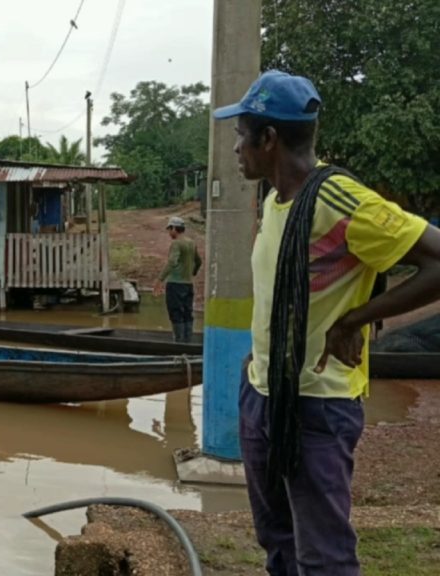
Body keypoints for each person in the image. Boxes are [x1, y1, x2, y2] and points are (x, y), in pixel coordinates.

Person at [214, 70, 440, 575]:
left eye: (240, 133)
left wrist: (354, 320)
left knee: (324, 555)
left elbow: (437, 261)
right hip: (264, 393)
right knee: (277, 538)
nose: (235, 147)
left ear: (268, 139)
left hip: (317, 403)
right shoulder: (275, 200)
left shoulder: (339, 200)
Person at [153, 216, 202, 342]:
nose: (169, 232)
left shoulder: (176, 243)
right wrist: (193, 273)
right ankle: (188, 341)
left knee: (176, 313)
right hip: (188, 284)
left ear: (174, 228)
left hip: (175, 284)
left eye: (170, 229)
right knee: (187, 313)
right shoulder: (191, 243)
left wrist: (160, 280)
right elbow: (198, 261)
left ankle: (178, 342)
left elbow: (172, 262)